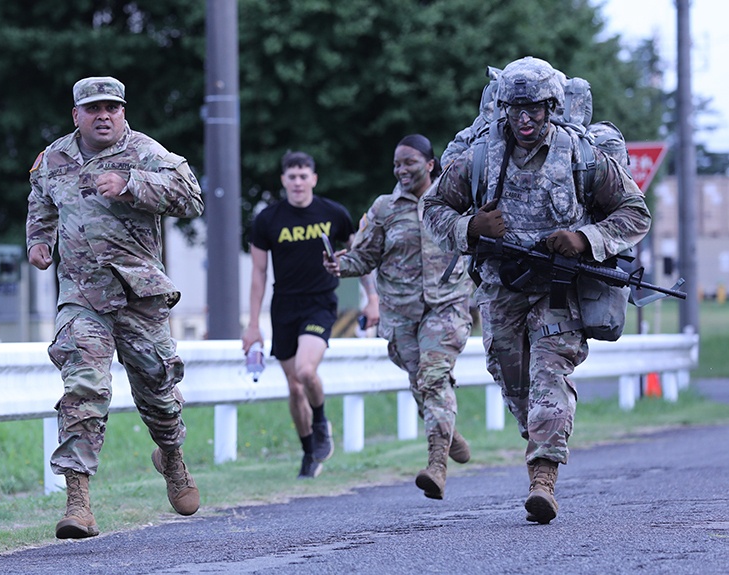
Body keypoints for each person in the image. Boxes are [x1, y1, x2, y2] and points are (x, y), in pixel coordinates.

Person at [423, 57, 651, 524]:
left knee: (550, 375)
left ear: (552, 106)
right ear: (503, 108)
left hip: (559, 288)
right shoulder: (480, 157)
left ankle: (543, 480)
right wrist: (471, 226)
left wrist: (584, 239)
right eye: (515, 109)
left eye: (535, 109)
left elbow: (634, 212)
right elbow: (433, 208)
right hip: (502, 285)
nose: (525, 120)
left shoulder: (583, 157)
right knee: (512, 377)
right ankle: (544, 435)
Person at [26, 76, 205, 539]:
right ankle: (78, 503)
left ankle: (171, 456)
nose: (103, 116)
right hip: (82, 297)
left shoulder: (146, 152)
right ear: (77, 116)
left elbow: (191, 197)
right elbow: (41, 205)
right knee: (84, 386)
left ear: (123, 112)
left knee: (159, 394)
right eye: (93, 109)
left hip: (139, 297)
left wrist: (131, 184)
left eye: (112, 107)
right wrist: (40, 242)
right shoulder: (53, 159)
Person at [323, 135, 474, 500]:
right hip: (401, 313)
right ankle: (447, 431)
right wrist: (338, 265)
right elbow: (365, 257)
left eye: (409, 162)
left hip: (447, 306)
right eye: (397, 164)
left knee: (433, 377)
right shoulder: (384, 209)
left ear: (430, 164)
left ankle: (436, 465)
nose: (402, 169)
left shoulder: (455, 202)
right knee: (420, 383)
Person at [242, 151, 360, 479]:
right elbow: (258, 274)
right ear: (283, 180)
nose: (297, 182)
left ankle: (321, 423)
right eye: (291, 176)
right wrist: (252, 325)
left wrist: (373, 297)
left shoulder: (333, 213)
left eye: (303, 175)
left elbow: (362, 252)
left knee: (307, 373)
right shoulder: (267, 220)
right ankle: (309, 452)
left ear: (314, 179)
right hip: (284, 307)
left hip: (320, 303)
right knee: (294, 388)